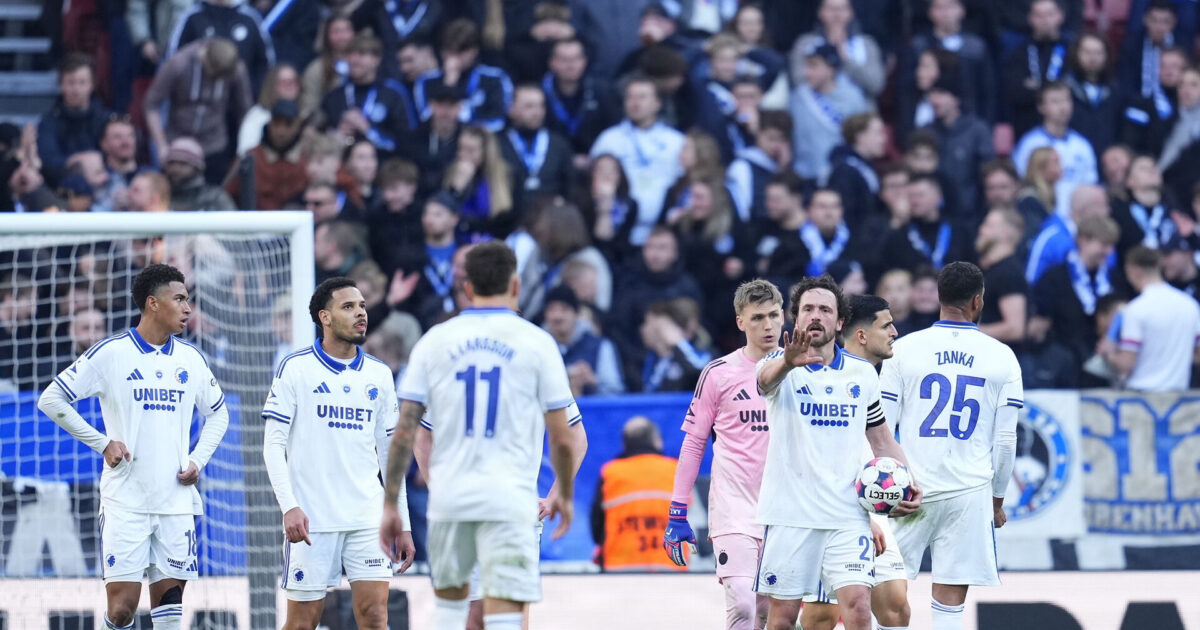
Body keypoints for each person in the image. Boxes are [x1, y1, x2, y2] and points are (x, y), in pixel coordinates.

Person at [380, 241, 578, 630]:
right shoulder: (538, 344)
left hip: (452, 498)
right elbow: (563, 436)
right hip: (511, 502)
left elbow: (405, 431)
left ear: (467, 288)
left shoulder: (434, 341)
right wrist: (565, 495)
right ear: (516, 286)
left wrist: (390, 503)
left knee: (452, 614)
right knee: (505, 617)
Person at [36, 263, 229, 630]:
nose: (188, 308)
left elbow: (219, 415)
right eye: (180, 299)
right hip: (127, 500)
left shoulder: (192, 360)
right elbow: (52, 399)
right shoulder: (111, 353)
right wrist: (103, 443)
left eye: (188, 300)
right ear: (153, 304)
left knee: (170, 609)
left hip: (175, 502)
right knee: (123, 608)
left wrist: (197, 459)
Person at [754, 275, 920, 630]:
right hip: (791, 515)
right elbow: (764, 382)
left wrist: (909, 480)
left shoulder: (862, 374)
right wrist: (787, 362)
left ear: (840, 321)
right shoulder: (778, 364)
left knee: (859, 608)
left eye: (825, 310)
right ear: (795, 318)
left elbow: (880, 438)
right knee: (782, 618)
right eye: (808, 309)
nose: (816, 316)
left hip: (847, 514)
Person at [263, 277, 415, 629]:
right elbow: (272, 444)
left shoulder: (379, 374)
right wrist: (289, 505)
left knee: (376, 616)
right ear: (324, 317)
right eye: (348, 306)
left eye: (362, 305)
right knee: (302, 623)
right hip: (313, 518)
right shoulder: (296, 368)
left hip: (367, 516)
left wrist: (402, 522)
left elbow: (389, 456)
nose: (360, 312)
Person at [880, 262, 1023, 630]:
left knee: (888, 601)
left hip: (910, 489)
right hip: (969, 492)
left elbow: (880, 428)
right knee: (949, 609)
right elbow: (1005, 443)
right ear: (978, 301)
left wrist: (884, 491)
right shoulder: (1002, 356)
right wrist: (997, 499)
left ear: (939, 298)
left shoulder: (904, 349)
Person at [662, 279, 783, 630]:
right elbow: (694, 443)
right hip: (734, 509)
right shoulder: (718, 374)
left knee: (770, 613)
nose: (768, 325)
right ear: (740, 322)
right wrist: (677, 511)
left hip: (786, 509)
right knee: (744, 605)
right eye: (758, 317)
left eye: (774, 315)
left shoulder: (800, 373)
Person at [802, 294, 910, 630]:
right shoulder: (825, 377)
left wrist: (907, 484)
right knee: (821, 617)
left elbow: (882, 440)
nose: (895, 332)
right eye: (887, 325)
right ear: (861, 335)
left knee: (896, 608)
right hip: (830, 509)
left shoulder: (876, 377)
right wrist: (859, 514)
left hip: (871, 500)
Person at [589, 75, 686, 245]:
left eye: (642, 97)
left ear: (657, 103)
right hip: (618, 232)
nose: (635, 103)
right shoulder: (609, 139)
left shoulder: (676, 141)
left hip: (664, 231)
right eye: (630, 97)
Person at [144, 37, 252, 184]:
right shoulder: (178, 63)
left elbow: (244, 111)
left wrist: (245, 148)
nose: (216, 78)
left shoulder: (236, 69)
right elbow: (151, 104)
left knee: (214, 195)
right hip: (177, 144)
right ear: (203, 57)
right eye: (214, 73)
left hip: (214, 146)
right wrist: (161, 145)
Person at [1028, 215, 1121, 385]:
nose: (1108, 252)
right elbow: (1040, 324)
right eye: (1103, 245)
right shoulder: (1055, 277)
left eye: (1111, 246)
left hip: (1102, 366)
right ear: (1084, 241)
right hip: (1065, 367)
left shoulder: (1113, 279)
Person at [592, 417, 681, 572]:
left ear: (625, 444)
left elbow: (596, 526)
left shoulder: (611, 473)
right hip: (671, 570)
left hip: (620, 572)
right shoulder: (676, 470)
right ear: (656, 441)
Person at [1108, 246, 1200, 391]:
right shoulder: (1190, 305)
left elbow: (1127, 363)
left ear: (1134, 271)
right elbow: (1198, 355)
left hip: (1142, 399)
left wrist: (1109, 354)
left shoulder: (1136, 309)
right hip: (1179, 399)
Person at [320, 33, 416, 161]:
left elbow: (407, 142)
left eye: (361, 54)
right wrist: (337, 135)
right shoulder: (335, 96)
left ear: (376, 60)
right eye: (350, 54)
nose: (354, 60)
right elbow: (319, 136)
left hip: (384, 167)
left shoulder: (393, 94)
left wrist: (368, 130)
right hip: (341, 167)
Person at [1011, 81, 1099, 218]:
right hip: (1042, 218)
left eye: (1066, 100)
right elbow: (1023, 185)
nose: (1063, 107)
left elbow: (1091, 185)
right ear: (1041, 107)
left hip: (1078, 222)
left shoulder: (1083, 145)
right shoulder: (1030, 144)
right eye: (1055, 101)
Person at [413, 18, 515, 133]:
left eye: (460, 51)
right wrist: (449, 83)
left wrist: (466, 117)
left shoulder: (495, 79)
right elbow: (425, 120)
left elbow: (499, 121)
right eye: (449, 50)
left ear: (475, 50)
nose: (454, 57)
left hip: (482, 145)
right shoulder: (426, 81)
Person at [789, 43, 872, 182]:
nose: (807, 72)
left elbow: (862, 138)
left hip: (842, 176)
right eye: (807, 66)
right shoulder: (798, 97)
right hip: (805, 176)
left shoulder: (853, 98)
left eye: (814, 66)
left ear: (831, 68)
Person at [923, 72, 994, 221]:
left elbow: (987, 173)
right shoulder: (926, 132)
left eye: (941, 93)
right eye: (931, 94)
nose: (934, 100)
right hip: (935, 215)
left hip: (970, 214)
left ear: (956, 98)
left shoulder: (977, 131)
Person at [167, 0, 275, 95]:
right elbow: (175, 58)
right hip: (200, 102)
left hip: (241, 100)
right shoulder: (192, 17)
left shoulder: (250, 18)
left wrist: (254, 91)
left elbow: (265, 60)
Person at [541, 38, 622, 162]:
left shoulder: (603, 92)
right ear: (552, 62)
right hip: (550, 164)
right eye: (564, 60)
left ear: (584, 61)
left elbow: (614, 132)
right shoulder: (540, 94)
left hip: (596, 162)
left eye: (576, 58)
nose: (571, 65)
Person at [37, 53, 111, 186]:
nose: (76, 89)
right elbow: (47, 159)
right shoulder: (48, 122)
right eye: (71, 82)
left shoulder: (107, 119)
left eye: (82, 82)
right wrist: (79, 162)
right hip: (62, 189)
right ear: (61, 84)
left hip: (105, 185)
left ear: (92, 85)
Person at [1003, 0, 1071, 137]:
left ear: (1060, 16)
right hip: (1027, 126)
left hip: (1068, 129)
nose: (1044, 20)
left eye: (1049, 14)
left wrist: (1035, 87)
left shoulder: (1072, 51)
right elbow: (1014, 91)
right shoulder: (1018, 53)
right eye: (1039, 15)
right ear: (1030, 18)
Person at [542, 285, 624, 396]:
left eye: (564, 309)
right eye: (551, 309)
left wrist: (593, 382)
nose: (557, 316)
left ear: (576, 314)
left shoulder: (601, 346)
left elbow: (616, 394)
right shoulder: (537, 347)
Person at [499, 84, 574, 200]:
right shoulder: (497, 144)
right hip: (507, 215)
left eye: (541, 106)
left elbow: (570, 187)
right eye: (529, 106)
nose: (537, 112)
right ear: (511, 109)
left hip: (550, 214)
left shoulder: (559, 144)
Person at [975, 209, 1029, 347]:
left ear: (1006, 233)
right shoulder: (993, 269)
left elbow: (1015, 328)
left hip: (1003, 361)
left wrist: (970, 333)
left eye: (988, 225)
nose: (981, 229)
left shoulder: (1008, 272)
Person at [826, 112, 886, 231]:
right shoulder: (844, 171)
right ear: (860, 136)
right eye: (878, 133)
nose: (883, 139)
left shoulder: (865, 166)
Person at [164, 137, 236, 211]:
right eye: (171, 162)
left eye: (183, 164)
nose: (175, 168)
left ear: (197, 168)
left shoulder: (215, 198)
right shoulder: (158, 196)